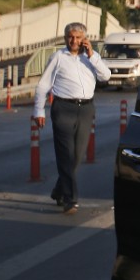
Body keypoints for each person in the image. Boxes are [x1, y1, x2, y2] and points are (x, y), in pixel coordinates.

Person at [32, 22, 111, 214]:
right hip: (63, 108)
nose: (73, 41)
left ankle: (59, 191)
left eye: (77, 37)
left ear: (84, 38)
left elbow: (106, 76)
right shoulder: (58, 57)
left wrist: (92, 56)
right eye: (70, 37)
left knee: (77, 156)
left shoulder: (91, 57)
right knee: (65, 154)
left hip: (85, 109)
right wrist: (38, 111)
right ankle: (70, 199)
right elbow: (43, 85)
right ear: (65, 38)